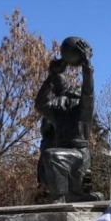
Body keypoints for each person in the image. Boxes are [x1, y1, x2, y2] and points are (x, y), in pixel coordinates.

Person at [34, 39, 94, 203]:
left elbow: (88, 92)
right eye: (68, 95)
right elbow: (40, 104)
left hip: (79, 155)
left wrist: (86, 65)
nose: (70, 97)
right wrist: (51, 76)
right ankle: (72, 195)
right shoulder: (58, 114)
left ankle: (58, 199)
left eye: (75, 95)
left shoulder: (83, 112)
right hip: (66, 154)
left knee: (51, 155)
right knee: (50, 160)